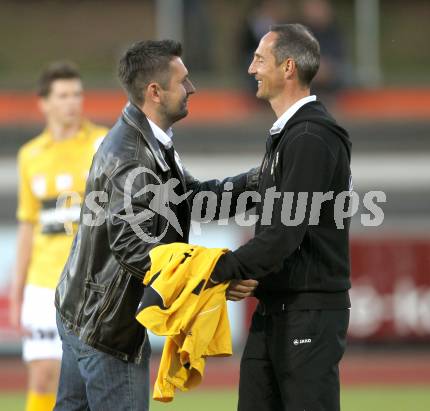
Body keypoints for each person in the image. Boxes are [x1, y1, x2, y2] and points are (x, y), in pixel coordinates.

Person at [54, 40, 259, 411]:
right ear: (155, 92)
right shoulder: (133, 157)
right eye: (183, 81)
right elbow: (134, 248)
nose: (191, 88)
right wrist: (212, 274)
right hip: (107, 332)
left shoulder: (146, 139)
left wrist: (259, 183)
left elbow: (193, 199)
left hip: (82, 313)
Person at [211, 24, 352, 410]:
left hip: (306, 313)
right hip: (278, 308)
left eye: (259, 59)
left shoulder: (309, 136)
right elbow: (240, 193)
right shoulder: (290, 135)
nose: (251, 68)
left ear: (288, 67)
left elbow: (286, 232)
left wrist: (219, 270)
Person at [9, 62, 107, 411]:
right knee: (43, 376)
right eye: (63, 95)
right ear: (44, 103)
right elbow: (27, 225)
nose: (72, 102)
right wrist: (16, 290)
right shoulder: (30, 155)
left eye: (77, 94)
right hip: (42, 284)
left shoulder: (103, 144)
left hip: (90, 283)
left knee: (89, 381)